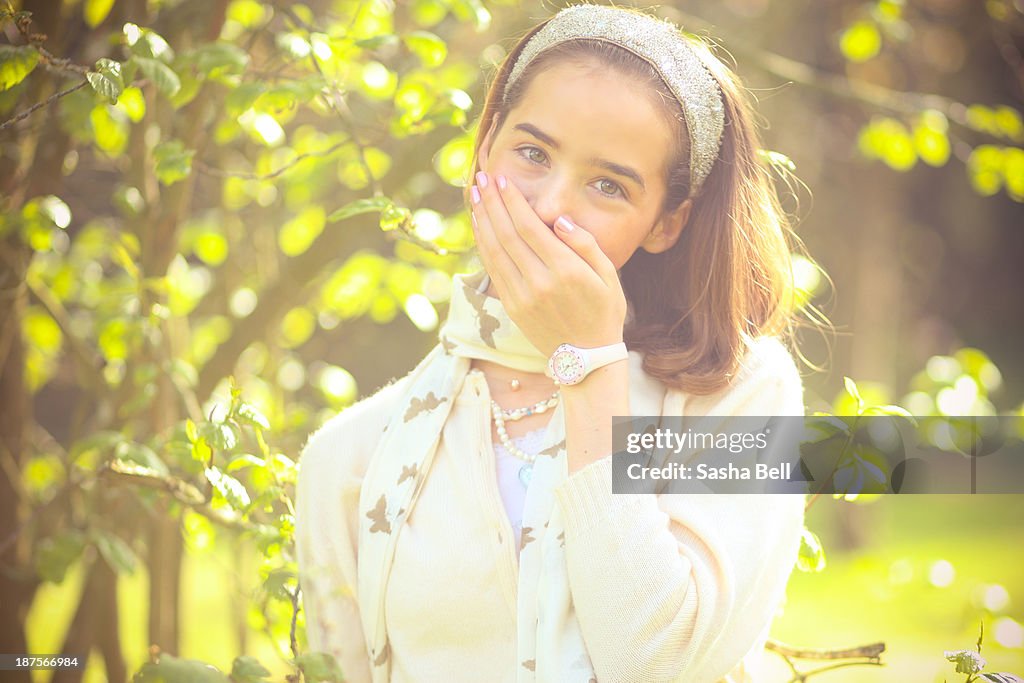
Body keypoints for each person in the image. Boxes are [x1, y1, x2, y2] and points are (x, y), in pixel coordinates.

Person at [296, 5, 810, 682]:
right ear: (484, 149)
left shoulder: (748, 399)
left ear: (665, 223)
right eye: (532, 153)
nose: (548, 206)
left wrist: (590, 364)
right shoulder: (352, 457)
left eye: (608, 184)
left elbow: (658, 661)